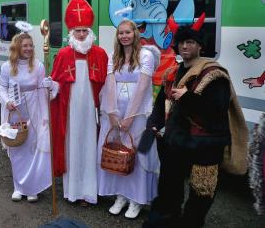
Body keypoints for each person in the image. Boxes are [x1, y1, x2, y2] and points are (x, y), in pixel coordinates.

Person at [143, 15, 248, 228]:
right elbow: (160, 104)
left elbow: (216, 112)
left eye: (190, 42)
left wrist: (188, 98)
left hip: (206, 148)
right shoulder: (172, 73)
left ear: (200, 46)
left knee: (201, 195)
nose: (185, 46)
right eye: (181, 42)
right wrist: (152, 124)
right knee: (169, 190)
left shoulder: (214, 75)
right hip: (175, 144)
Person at [47, 0, 108, 205]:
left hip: (91, 111)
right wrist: (51, 86)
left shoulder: (100, 54)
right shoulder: (63, 55)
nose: (81, 35)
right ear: (71, 33)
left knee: (90, 147)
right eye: (77, 31)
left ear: (90, 32)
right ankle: (72, 192)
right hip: (70, 111)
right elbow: (56, 85)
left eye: (84, 31)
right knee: (72, 147)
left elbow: (105, 85)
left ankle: (89, 192)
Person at [97, 19, 160, 219]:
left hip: (138, 113)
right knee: (117, 152)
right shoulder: (113, 56)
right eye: (121, 33)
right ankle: (121, 195)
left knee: (135, 153)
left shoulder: (145, 55)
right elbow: (110, 83)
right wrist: (113, 113)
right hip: (115, 111)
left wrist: (130, 117)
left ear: (135, 34)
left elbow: (142, 88)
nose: (124, 36)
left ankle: (137, 199)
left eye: (128, 32)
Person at [0, 26, 51, 202]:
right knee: (17, 148)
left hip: (34, 109)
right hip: (15, 111)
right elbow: (2, 88)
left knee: (32, 148)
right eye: (24, 46)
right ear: (17, 48)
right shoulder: (7, 67)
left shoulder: (38, 66)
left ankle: (32, 187)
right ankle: (18, 187)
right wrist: (7, 102)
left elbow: (42, 89)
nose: (28, 48)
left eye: (31, 45)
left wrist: (45, 115)